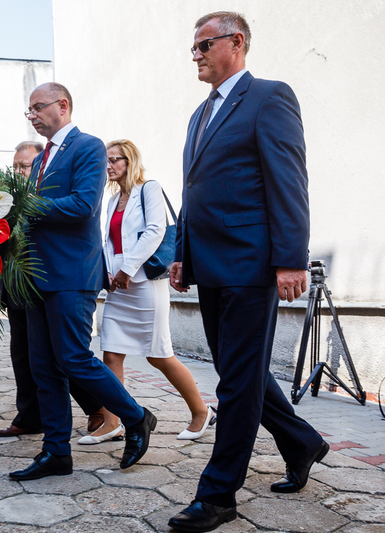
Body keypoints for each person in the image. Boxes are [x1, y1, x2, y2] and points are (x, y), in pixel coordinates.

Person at [168, 12, 328, 532]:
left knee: (235, 384)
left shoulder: (268, 97)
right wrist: (181, 252)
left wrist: (290, 259)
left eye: (203, 45)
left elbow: (288, 182)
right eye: (193, 48)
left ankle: (218, 496)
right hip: (210, 266)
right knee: (244, 373)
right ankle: (303, 443)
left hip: (251, 264)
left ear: (236, 43)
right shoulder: (200, 114)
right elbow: (194, 194)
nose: (195, 54)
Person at [9, 82, 156, 482]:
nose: (33, 115)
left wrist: (24, 205)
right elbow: (31, 218)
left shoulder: (87, 146)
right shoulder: (41, 161)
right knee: (44, 367)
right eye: (29, 111)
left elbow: (82, 205)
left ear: (63, 105)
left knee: (73, 357)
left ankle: (136, 416)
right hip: (37, 277)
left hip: (72, 274)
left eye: (38, 107)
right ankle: (56, 452)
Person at [78, 139, 215, 446]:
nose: (108, 166)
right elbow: (107, 241)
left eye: (115, 160)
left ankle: (201, 411)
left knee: (159, 356)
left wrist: (128, 268)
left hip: (144, 286)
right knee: (111, 352)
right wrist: (109, 272)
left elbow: (155, 230)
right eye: (106, 160)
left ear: (130, 162)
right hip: (118, 286)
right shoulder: (113, 200)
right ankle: (112, 422)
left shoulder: (148, 189)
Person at [0, 142, 104, 438]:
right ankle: (31, 416)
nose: (19, 171)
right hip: (16, 284)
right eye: (15, 166)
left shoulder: (45, 193)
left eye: (25, 166)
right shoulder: (8, 198)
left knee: (64, 354)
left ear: (40, 169)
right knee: (25, 356)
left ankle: (103, 410)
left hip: (46, 278)